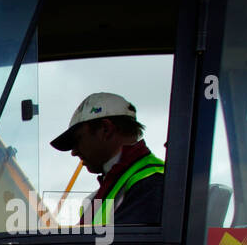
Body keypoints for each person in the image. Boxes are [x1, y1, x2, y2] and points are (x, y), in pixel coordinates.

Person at [50, 92, 164, 227]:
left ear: (106, 129)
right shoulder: (114, 187)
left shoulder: (152, 183)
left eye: (78, 139)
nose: (74, 152)